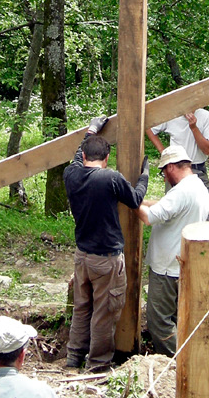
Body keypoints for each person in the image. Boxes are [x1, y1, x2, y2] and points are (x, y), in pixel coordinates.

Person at [64, 117, 149, 373]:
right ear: (107, 157)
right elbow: (134, 198)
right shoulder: (109, 178)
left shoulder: (71, 173)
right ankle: (98, 365)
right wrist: (144, 175)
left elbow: (77, 155)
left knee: (82, 308)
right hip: (107, 260)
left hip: (83, 256)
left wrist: (91, 130)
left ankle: (73, 358)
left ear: (83, 155)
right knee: (103, 311)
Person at [137, 144, 209, 356]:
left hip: (167, 268)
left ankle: (175, 363)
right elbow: (164, 205)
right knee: (178, 319)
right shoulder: (196, 187)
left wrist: (129, 199)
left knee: (159, 321)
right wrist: (142, 201)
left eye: (163, 172)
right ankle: (187, 358)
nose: (163, 177)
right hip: (181, 264)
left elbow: (149, 217)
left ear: (170, 167)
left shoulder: (181, 191)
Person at [145, 108, 209, 218]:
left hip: (197, 169)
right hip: (175, 169)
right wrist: (163, 151)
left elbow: (207, 150)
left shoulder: (205, 115)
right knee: (173, 211)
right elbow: (149, 128)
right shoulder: (171, 114)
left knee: (208, 213)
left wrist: (193, 127)